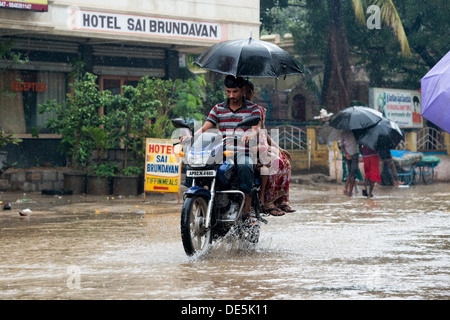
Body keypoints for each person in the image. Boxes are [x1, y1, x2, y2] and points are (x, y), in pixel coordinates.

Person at [192, 75, 262, 222]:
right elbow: (205, 128)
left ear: (243, 90)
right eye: (228, 91)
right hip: (221, 151)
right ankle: (201, 202)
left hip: (243, 151)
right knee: (197, 166)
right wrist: (190, 137)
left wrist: (250, 133)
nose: (231, 95)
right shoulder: (218, 108)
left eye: (235, 91)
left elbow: (255, 128)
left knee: (245, 166)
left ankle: (247, 210)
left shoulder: (253, 109)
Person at [244, 80, 295, 215]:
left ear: (253, 93)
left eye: (249, 92)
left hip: (262, 146)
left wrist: (279, 148)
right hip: (248, 149)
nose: (246, 95)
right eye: (244, 92)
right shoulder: (238, 111)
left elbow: (263, 132)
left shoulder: (257, 110)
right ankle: (268, 202)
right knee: (276, 162)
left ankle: (282, 201)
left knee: (286, 163)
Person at [339, 130, 359, 197]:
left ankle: (345, 187)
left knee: (350, 173)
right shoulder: (356, 132)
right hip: (354, 154)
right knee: (353, 174)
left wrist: (346, 153)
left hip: (347, 155)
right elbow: (359, 142)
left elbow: (341, 145)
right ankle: (350, 193)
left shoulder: (343, 132)